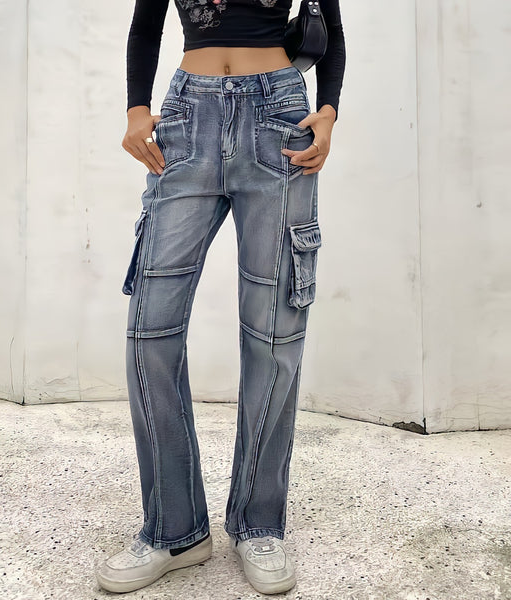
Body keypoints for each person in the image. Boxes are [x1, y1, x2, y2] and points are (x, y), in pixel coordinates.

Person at [95, 0, 345, 594]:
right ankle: (173, 529)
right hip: (187, 119)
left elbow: (330, 26)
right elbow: (146, 23)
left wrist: (329, 113)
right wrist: (135, 110)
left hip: (279, 118)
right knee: (149, 331)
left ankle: (259, 524)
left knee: (275, 332)